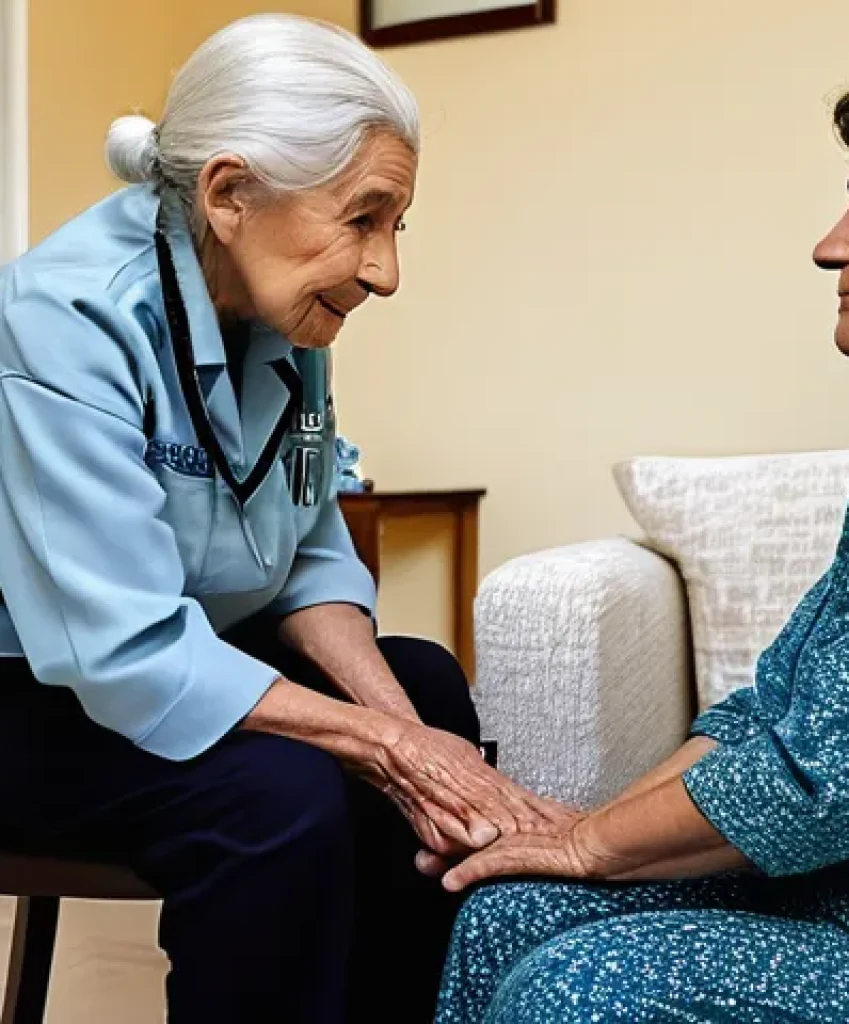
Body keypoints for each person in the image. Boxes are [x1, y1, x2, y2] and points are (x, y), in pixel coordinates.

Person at [432, 47, 849, 1023]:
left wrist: (589, 844)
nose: (829, 247)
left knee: (572, 991)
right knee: (510, 912)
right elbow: (772, 713)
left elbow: (821, 780)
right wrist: (583, 832)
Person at [0, 15, 561, 1024]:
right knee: (278, 796)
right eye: (364, 219)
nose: (385, 272)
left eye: (396, 226)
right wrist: (387, 748)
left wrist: (404, 734)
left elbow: (305, 553)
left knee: (427, 687)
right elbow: (118, 645)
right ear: (229, 194)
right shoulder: (63, 320)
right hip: (38, 694)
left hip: (180, 657)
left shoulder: (287, 317)